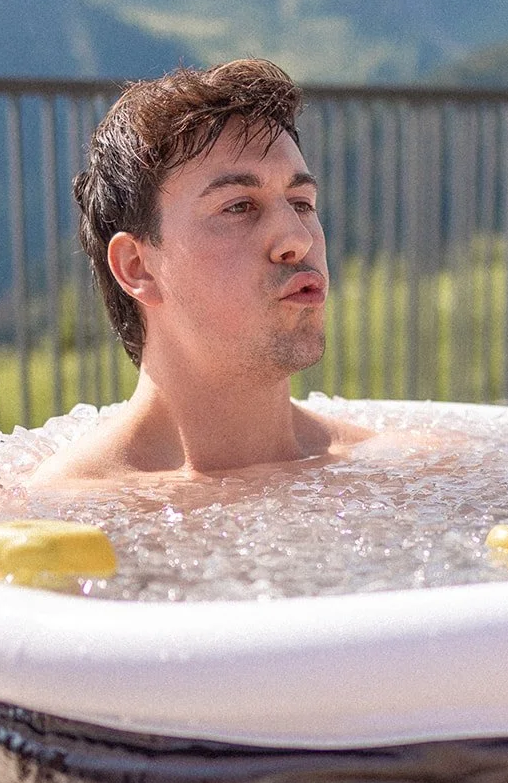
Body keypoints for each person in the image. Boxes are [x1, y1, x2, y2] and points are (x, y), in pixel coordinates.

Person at [28, 59, 373, 489]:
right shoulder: (66, 509)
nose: (297, 239)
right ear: (138, 268)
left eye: (301, 202)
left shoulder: (401, 469)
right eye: (238, 207)